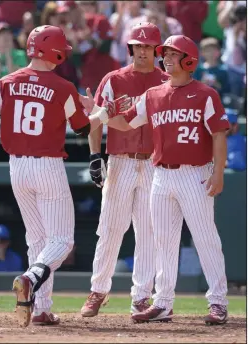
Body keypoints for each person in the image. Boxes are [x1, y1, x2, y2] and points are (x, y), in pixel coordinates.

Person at [0, 25, 130, 328]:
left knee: (37, 240)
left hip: (17, 167)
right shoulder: (62, 87)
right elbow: (82, 129)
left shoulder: (7, 81)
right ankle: (30, 278)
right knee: (61, 242)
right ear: (57, 52)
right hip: (47, 167)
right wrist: (104, 112)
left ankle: (41, 308)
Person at [87, 35, 230, 325]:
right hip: (161, 175)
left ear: (189, 60)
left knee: (206, 239)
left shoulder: (205, 94)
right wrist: (98, 113)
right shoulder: (153, 95)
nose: (165, 58)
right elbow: (124, 122)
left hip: (195, 173)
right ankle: (163, 302)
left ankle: (218, 301)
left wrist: (218, 172)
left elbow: (218, 133)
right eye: (164, 53)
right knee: (162, 241)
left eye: (173, 54)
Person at [79, 22, 169, 318]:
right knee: (110, 228)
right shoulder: (114, 78)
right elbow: (96, 117)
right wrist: (95, 155)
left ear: (157, 50)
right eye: (138, 45)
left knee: (149, 232)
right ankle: (98, 291)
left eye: (147, 46)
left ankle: (141, 296)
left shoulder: (167, 80)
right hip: (121, 160)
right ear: (130, 48)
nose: (142, 51)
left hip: (154, 162)